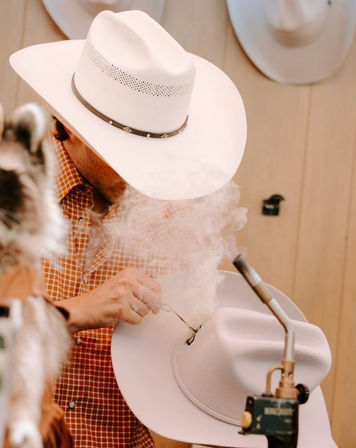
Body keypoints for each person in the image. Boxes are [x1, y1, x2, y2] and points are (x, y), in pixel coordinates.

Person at [10, 9, 247, 448]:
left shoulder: (175, 217)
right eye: (126, 155)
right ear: (74, 129)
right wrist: (75, 313)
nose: (145, 179)